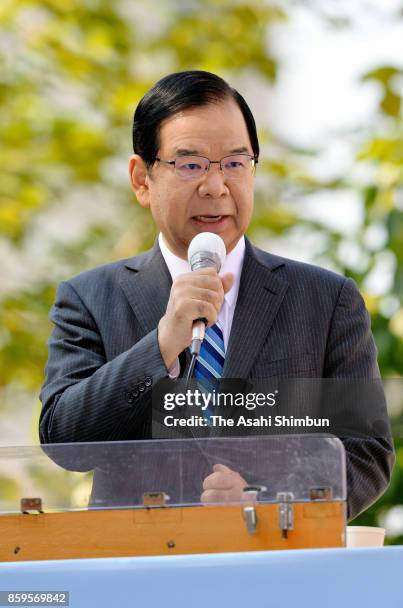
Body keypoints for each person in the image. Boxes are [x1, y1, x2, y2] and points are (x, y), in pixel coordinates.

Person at [39, 70, 394, 520]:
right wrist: (162, 344)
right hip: (138, 576)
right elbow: (64, 443)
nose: (215, 186)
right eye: (190, 165)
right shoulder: (89, 298)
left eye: (234, 163)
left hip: (275, 573)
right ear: (142, 179)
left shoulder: (326, 301)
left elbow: (366, 453)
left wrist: (265, 503)